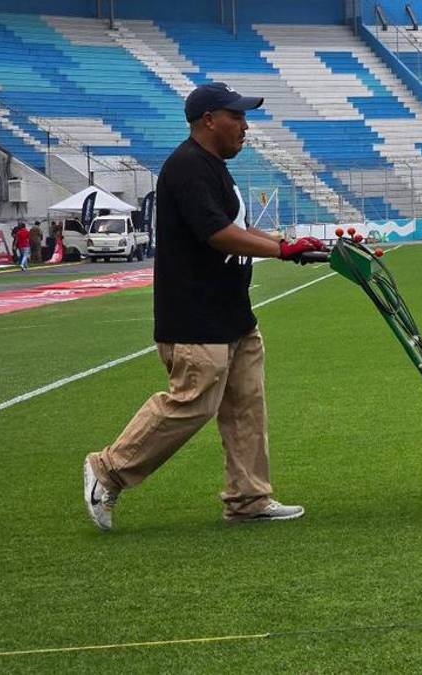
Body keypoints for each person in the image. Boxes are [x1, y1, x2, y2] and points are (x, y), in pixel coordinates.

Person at [83, 82, 325, 531]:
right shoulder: (187, 167)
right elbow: (216, 234)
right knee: (192, 403)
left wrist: (287, 244)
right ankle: (108, 470)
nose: (245, 127)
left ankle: (249, 498)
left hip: (232, 314)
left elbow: (235, 228)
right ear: (209, 119)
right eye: (237, 117)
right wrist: (282, 251)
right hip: (195, 316)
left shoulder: (214, 167)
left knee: (245, 407)